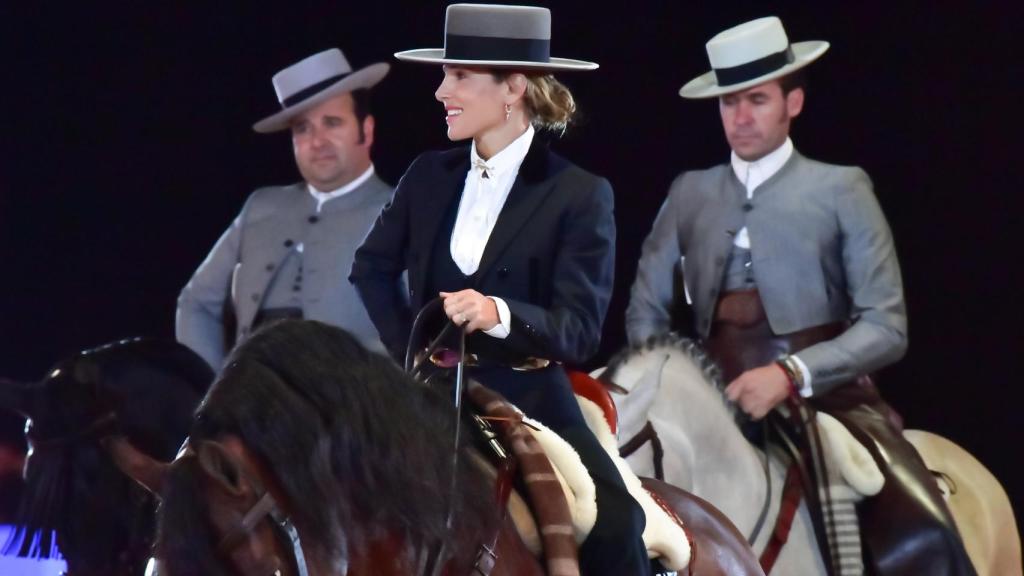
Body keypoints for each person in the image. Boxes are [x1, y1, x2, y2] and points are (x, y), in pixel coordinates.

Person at [626, 16, 974, 575]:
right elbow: (646, 307)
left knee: (919, 520)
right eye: (728, 103)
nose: (740, 118)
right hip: (708, 395)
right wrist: (666, 383)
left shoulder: (841, 188)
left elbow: (886, 324)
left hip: (824, 395)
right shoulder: (689, 192)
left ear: (794, 102)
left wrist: (788, 374)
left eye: (757, 100)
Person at [351, 5, 650, 575]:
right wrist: (413, 353)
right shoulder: (426, 175)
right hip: (432, 390)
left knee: (615, 523)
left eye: (460, 75)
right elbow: (369, 269)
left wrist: (498, 313)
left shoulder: (579, 193)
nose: (442, 91)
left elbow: (580, 329)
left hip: (530, 393)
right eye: (444, 75)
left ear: (514, 86)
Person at [177, 48, 394, 370]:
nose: (316, 141)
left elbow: (429, 332)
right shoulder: (261, 206)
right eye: (302, 129)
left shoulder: (400, 211)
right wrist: (213, 391)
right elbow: (196, 303)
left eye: (332, 123)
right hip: (249, 401)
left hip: (351, 408)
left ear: (367, 130)